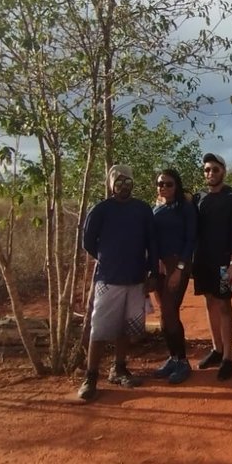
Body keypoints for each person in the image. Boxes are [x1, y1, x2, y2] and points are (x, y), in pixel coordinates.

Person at [77, 164, 158, 402]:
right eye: (119, 181)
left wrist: (153, 272)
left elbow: (151, 243)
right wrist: (108, 257)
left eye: (127, 181)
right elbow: (89, 242)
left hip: (135, 278)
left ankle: (119, 369)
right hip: (108, 279)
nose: (124, 186)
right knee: (100, 328)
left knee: (126, 327)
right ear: (111, 184)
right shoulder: (101, 210)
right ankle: (91, 377)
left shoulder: (143, 210)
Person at [192, 153, 232, 381]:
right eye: (207, 170)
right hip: (202, 261)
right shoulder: (198, 197)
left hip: (224, 262)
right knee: (209, 301)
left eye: (214, 169)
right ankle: (217, 349)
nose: (210, 173)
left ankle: (228, 358)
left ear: (223, 170)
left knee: (224, 304)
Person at [150, 167, 198, 384]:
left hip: (177, 264)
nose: (164, 187)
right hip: (159, 266)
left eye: (168, 183)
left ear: (176, 185)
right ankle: (173, 358)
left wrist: (179, 268)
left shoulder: (185, 208)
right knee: (164, 314)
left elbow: (191, 239)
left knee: (170, 311)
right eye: (160, 183)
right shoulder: (156, 209)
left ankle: (183, 362)